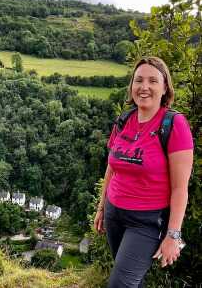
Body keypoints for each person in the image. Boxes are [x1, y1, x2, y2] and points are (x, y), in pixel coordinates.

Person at [94, 56, 193, 288]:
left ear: (165, 86)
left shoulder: (174, 125)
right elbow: (111, 167)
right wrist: (101, 207)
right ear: (131, 86)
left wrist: (173, 235)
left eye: (152, 81)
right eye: (138, 80)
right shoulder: (124, 119)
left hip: (147, 222)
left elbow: (180, 188)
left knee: (120, 284)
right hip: (114, 213)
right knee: (130, 281)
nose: (144, 87)